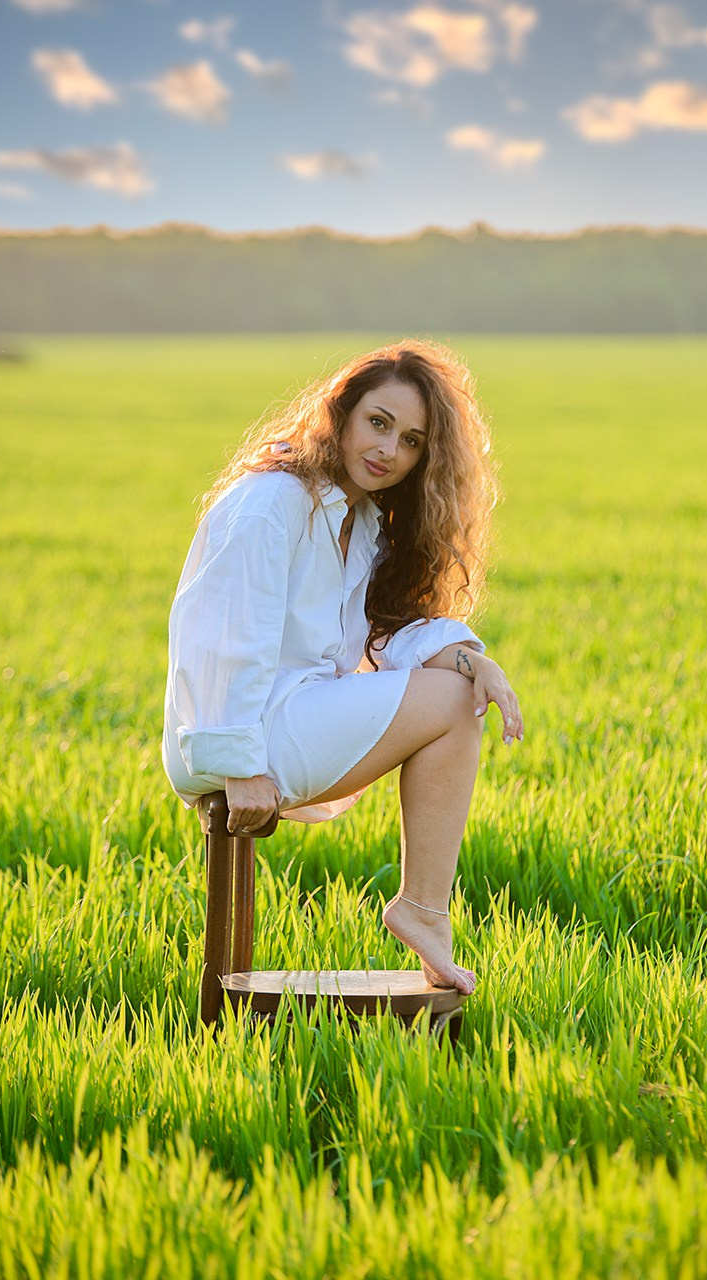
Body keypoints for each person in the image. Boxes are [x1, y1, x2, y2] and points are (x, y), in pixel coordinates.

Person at [163, 339, 523, 995]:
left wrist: (473, 659)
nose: (390, 450)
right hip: (237, 733)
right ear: (341, 414)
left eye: (412, 441)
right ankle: (421, 910)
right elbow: (223, 637)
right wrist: (237, 765)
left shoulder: (359, 523)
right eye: (379, 423)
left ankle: (422, 909)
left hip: (285, 721)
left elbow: (392, 633)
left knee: (458, 691)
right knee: (448, 702)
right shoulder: (273, 501)